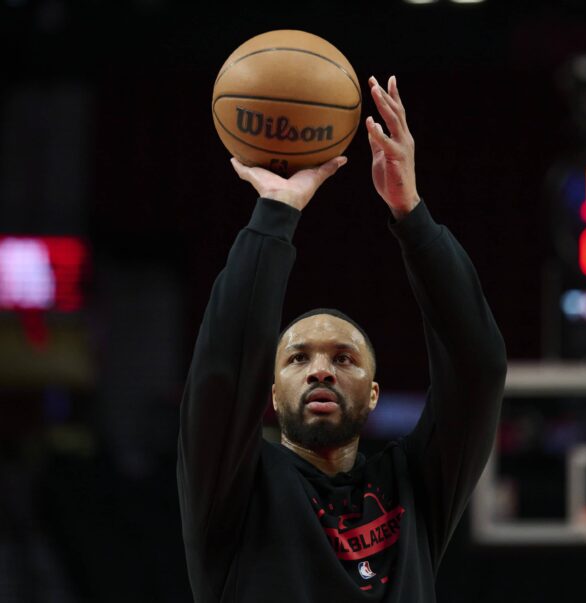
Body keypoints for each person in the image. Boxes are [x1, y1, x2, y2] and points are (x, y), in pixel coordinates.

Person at [177, 74, 507, 602]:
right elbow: (220, 372)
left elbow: (479, 366)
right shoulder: (231, 491)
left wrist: (412, 213)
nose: (321, 369)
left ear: (374, 393)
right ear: (270, 392)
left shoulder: (415, 486)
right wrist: (276, 213)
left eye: (345, 358)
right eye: (298, 358)